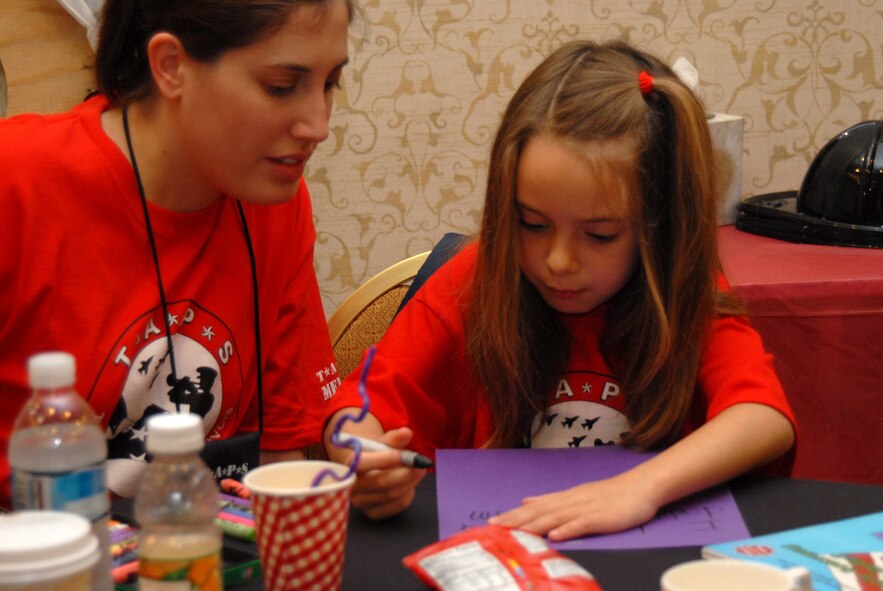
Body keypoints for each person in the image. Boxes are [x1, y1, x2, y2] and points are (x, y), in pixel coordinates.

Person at [322, 39, 797, 541]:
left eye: (600, 235)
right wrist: (365, 461)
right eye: (532, 224)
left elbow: (764, 417)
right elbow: (350, 414)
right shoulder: (475, 281)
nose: (559, 261)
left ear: (659, 226)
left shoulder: (682, 291)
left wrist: (640, 488)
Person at [0, 0, 356, 507]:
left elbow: (277, 462)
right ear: (171, 66)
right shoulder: (15, 184)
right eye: (282, 87)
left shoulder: (276, 203)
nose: (317, 126)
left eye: (330, 84)